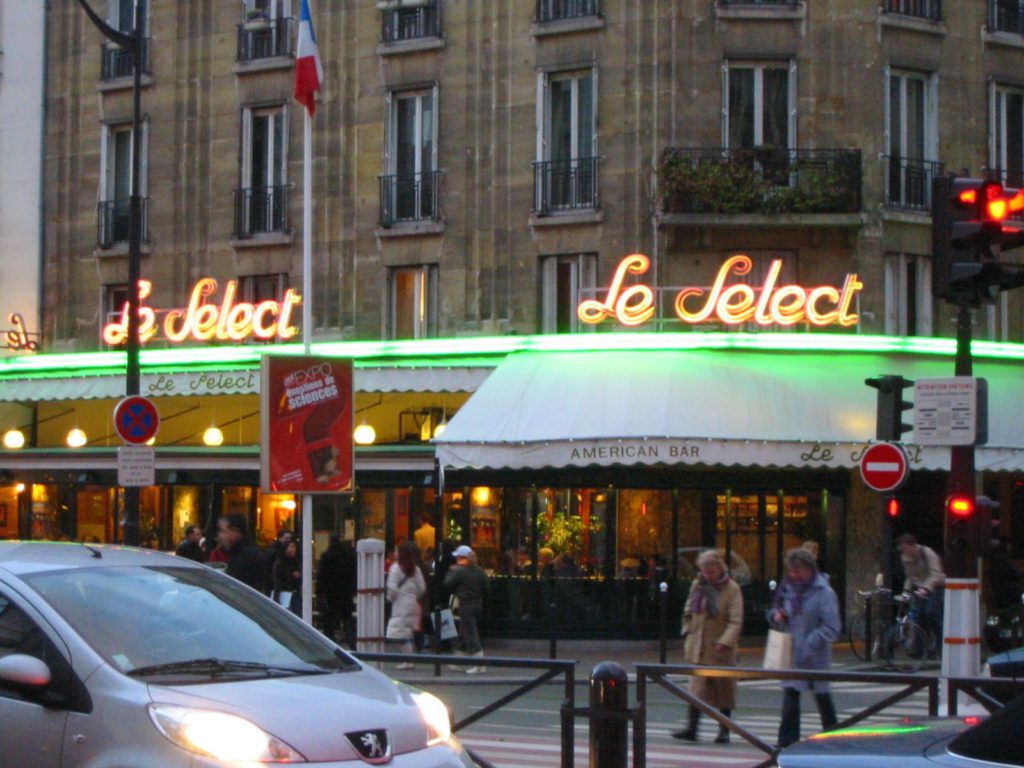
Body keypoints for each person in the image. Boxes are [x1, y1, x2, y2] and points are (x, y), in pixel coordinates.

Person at [772, 547, 840, 749]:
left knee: (822, 697)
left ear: (810, 569)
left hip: (815, 654)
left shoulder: (824, 592)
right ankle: (787, 741)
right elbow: (778, 611)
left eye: (798, 571)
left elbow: (832, 627)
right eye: (791, 571)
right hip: (793, 652)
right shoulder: (788, 589)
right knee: (791, 694)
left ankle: (834, 738)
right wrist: (778, 616)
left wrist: (812, 641)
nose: (794, 575)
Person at [673, 549, 743, 744]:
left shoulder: (732, 589)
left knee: (724, 691)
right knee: (696, 690)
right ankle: (692, 728)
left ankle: (724, 730)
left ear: (719, 568)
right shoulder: (698, 585)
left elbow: (735, 621)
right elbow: (688, 611)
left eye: (711, 571)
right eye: (704, 571)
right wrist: (688, 632)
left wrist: (725, 641)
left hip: (720, 648)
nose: (707, 575)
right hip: (699, 646)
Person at [444, 544, 490, 673]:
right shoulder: (480, 571)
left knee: (470, 633)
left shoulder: (460, 571)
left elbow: (447, 584)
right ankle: (456, 661)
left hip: (465, 604)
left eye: (458, 557)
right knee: (464, 632)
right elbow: (487, 588)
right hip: (478, 603)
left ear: (462, 558)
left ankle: (480, 664)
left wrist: (451, 571)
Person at [897, 533, 945, 648]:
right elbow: (909, 576)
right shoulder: (905, 557)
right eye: (902, 549)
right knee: (918, 616)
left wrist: (926, 588)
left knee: (931, 613)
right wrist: (906, 591)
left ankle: (940, 644)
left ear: (913, 546)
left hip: (935, 586)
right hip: (919, 586)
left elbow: (936, 573)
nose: (904, 551)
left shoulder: (927, 553)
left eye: (906, 548)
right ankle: (920, 649)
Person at [386, 541, 427, 668]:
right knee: (407, 631)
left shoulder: (395, 568)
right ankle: (409, 658)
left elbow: (392, 588)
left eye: (397, 551)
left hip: (400, 603)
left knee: (400, 631)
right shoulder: (416, 568)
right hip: (412, 602)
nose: (395, 553)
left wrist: (390, 598)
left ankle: (408, 659)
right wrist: (414, 596)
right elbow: (422, 587)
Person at [316, 534, 357, 648]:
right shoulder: (349, 555)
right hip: (346, 592)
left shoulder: (326, 556)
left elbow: (322, 576)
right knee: (347, 617)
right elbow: (353, 574)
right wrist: (353, 589)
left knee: (330, 621)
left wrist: (320, 592)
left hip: (331, 593)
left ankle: (329, 643)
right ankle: (351, 641)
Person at [216, 514, 264, 591]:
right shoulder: (234, 552)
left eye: (223, 531)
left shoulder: (248, 555)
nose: (219, 535)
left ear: (235, 531)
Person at [272, 539, 302, 615]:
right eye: (291, 547)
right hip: (285, 595)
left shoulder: (295, 563)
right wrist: (276, 598)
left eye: (294, 547)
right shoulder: (280, 564)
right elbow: (277, 582)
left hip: (295, 595)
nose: (293, 549)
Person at [262, 529, 294, 596]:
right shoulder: (276, 552)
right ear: (280, 538)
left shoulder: (278, 551)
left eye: (290, 538)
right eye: (286, 538)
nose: (288, 540)